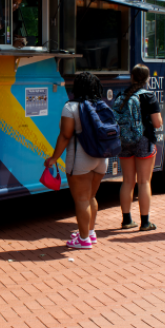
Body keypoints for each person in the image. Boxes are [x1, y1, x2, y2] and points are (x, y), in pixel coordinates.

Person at [45, 72, 108, 250]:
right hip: (101, 159)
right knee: (91, 197)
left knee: (81, 199)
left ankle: (83, 239)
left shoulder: (71, 107)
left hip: (80, 159)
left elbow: (65, 135)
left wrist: (54, 158)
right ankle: (90, 232)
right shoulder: (101, 105)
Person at [116, 64, 163, 231]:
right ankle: (145, 222)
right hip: (144, 140)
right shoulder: (148, 96)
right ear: (147, 79)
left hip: (124, 141)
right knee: (143, 182)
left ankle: (126, 220)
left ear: (132, 77)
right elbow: (157, 123)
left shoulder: (122, 95)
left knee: (127, 181)